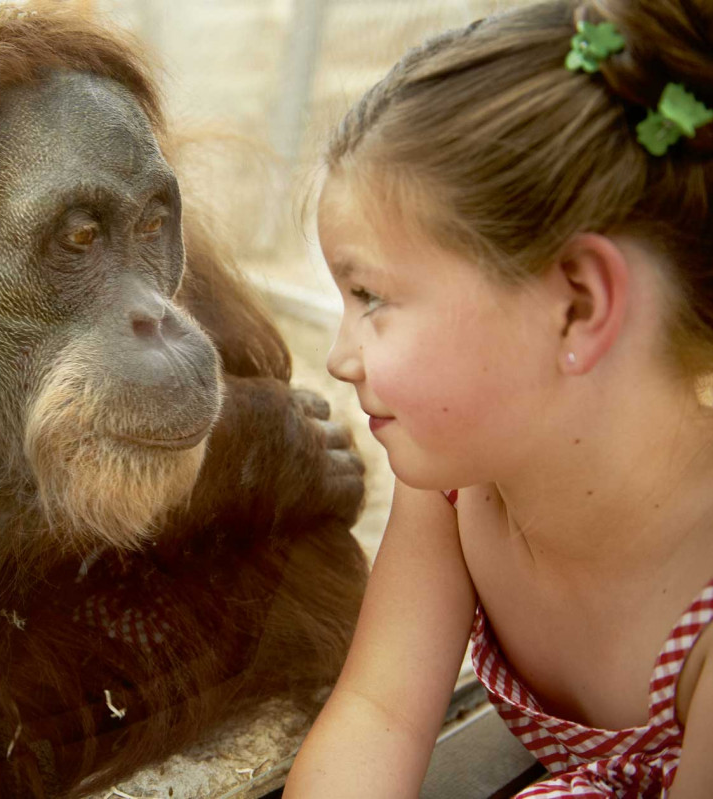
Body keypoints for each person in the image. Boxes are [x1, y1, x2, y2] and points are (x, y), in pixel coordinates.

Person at [282, 0, 713, 796]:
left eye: (371, 295)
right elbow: (380, 714)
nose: (340, 357)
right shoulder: (457, 490)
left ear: (577, 305)